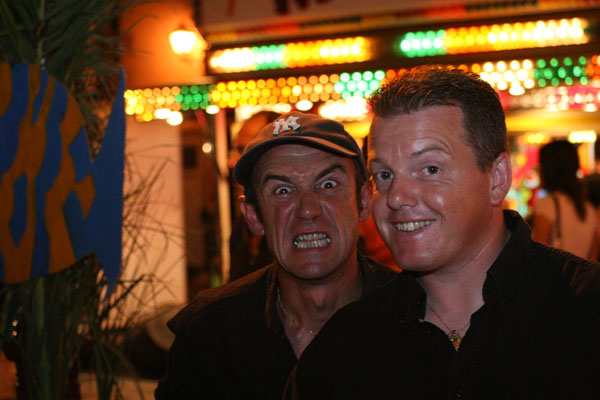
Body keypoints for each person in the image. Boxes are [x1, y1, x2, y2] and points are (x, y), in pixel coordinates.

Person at [287, 65, 600, 399]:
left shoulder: (584, 309)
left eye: (430, 169)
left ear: (497, 178)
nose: (397, 197)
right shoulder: (347, 345)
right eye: (384, 176)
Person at [155, 111, 398, 399]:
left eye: (328, 185)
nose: (308, 210)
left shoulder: (415, 319)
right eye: (282, 190)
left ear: (364, 200)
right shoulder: (210, 333)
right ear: (253, 216)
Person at [227, 110, 281, 281]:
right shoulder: (241, 226)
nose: (231, 162)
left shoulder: (297, 223)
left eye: (243, 150)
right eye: (234, 150)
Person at [531, 140, 599, 260]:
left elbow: (538, 256)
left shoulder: (548, 204)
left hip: (554, 272)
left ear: (549, 170)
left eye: (540, 166)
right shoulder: (589, 210)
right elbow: (592, 259)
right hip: (581, 272)